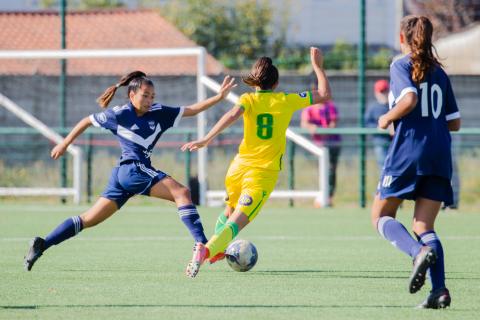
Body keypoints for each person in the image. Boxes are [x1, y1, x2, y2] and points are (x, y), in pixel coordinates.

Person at [24, 71, 236, 271]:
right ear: (131, 94)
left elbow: (192, 109)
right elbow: (86, 121)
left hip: (125, 174)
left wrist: (219, 97)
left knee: (88, 219)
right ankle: (203, 244)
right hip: (132, 169)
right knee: (182, 193)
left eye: (152, 96)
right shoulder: (119, 114)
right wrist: (64, 144)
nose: (149, 100)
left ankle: (42, 243)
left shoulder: (159, 112)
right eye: (145, 95)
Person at [182, 47, 331, 278]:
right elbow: (324, 93)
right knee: (238, 221)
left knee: (229, 211)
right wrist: (318, 66)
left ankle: (217, 248)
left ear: (255, 82)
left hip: (237, 168)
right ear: (276, 82)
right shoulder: (286, 100)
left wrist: (206, 139)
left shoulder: (247, 98)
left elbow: (231, 115)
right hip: (261, 174)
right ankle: (207, 249)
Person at [371, 16, 461, 309]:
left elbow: (408, 99)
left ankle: (416, 252)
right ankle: (439, 291)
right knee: (424, 224)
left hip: (408, 150)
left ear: (402, 38)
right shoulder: (440, 73)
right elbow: (455, 122)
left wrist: (387, 117)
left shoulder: (401, 64)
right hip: (440, 153)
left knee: (380, 216)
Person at [300, 99, 341, 207]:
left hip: (332, 144)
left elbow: (333, 123)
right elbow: (304, 123)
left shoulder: (331, 107)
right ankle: (321, 196)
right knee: (321, 171)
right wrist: (311, 127)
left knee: (331, 171)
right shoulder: (309, 109)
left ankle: (329, 197)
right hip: (317, 146)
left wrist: (324, 132)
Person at [365, 79, 391, 171]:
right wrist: (377, 128)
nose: (384, 94)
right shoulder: (373, 108)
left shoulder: (395, 105)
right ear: (376, 93)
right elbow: (367, 124)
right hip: (380, 141)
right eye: (381, 92)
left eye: (385, 91)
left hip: (395, 141)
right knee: (384, 167)